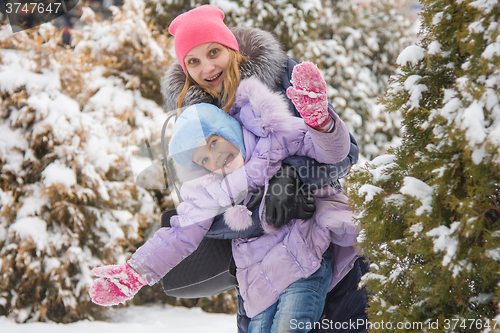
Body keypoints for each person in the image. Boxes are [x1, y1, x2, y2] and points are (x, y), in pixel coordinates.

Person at [89, 67, 360, 332]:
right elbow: (179, 234)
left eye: (214, 143)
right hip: (257, 279)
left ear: (227, 128)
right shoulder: (211, 189)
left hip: (304, 260)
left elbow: (332, 153)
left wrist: (320, 122)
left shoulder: (275, 137)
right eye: (204, 159)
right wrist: (134, 274)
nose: (215, 158)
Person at [159, 5, 367, 333]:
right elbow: (205, 211)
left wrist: (294, 176)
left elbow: (343, 153)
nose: (207, 67)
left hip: (324, 249)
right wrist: (260, 214)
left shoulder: (282, 76)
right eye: (193, 61)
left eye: (213, 52)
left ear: (230, 47)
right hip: (258, 271)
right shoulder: (192, 118)